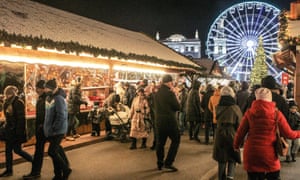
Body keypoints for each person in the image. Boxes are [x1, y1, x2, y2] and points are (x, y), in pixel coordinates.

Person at [234, 88, 300, 180]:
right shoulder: (277, 114)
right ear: (270, 99)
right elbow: (289, 134)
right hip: (270, 155)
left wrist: (236, 146)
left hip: (252, 153)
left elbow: (240, 133)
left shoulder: (249, 113)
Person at [0, 86, 33, 177]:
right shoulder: (7, 102)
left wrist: (18, 132)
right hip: (9, 131)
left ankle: (34, 161)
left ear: (10, 94)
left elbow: (21, 119)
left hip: (16, 132)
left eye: (7, 94)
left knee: (17, 150)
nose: (5, 96)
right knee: (8, 151)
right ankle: (9, 170)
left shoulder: (18, 103)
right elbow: (8, 117)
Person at [44, 79, 72, 180]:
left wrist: (54, 127)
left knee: (52, 152)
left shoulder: (59, 98)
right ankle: (58, 175)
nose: (45, 89)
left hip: (57, 130)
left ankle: (65, 169)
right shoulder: (48, 98)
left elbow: (61, 115)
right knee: (55, 151)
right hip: (51, 130)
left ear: (53, 88)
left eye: (47, 88)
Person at [213, 86, 242, 180]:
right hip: (232, 133)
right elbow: (240, 123)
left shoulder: (218, 107)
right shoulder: (235, 108)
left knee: (221, 158)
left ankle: (221, 177)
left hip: (220, 132)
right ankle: (230, 176)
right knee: (232, 157)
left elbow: (215, 120)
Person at [153, 74, 180, 172]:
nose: (172, 84)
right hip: (170, 121)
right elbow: (178, 107)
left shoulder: (157, 94)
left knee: (160, 143)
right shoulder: (170, 93)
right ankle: (168, 162)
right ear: (168, 82)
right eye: (171, 82)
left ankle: (159, 163)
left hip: (159, 120)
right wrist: (175, 95)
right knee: (176, 140)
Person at [23, 80, 47, 179]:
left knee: (39, 151)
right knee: (55, 149)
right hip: (42, 127)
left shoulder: (46, 99)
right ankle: (65, 167)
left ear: (43, 88)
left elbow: (45, 113)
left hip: (43, 128)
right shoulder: (42, 98)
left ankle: (35, 172)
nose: (36, 90)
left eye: (38, 88)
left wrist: (41, 125)